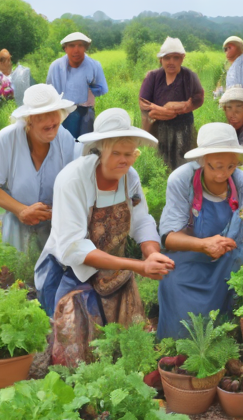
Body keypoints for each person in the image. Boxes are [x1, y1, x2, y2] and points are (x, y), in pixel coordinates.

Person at [34, 108, 174, 366]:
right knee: (80, 358)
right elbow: (74, 247)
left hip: (114, 277)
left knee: (123, 350)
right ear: (99, 150)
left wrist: (152, 253)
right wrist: (139, 266)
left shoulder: (129, 177)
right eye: (117, 154)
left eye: (129, 153)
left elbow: (141, 219)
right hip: (73, 277)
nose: (124, 160)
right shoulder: (72, 180)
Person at [157, 123, 243, 339]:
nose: (223, 174)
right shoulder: (182, 181)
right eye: (215, 167)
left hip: (229, 261)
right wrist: (203, 245)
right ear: (202, 161)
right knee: (173, 285)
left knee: (229, 315)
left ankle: (225, 346)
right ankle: (178, 349)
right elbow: (169, 237)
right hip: (189, 259)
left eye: (231, 167)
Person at [0, 84, 80, 254]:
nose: (51, 124)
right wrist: (22, 210)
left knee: (52, 271)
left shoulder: (64, 138)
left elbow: (76, 179)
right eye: (43, 119)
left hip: (55, 223)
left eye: (55, 121)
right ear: (29, 120)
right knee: (14, 273)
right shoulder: (7, 139)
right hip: (17, 223)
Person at [139, 37, 204, 171]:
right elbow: (143, 101)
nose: (171, 62)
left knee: (184, 165)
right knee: (160, 166)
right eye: (167, 58)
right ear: (161, 59)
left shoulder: (190, 76)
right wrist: (162, 111)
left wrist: (182, 107)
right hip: (158, 128)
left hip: (184, 129)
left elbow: (199, 98)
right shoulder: (153, 76)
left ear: (182, 58)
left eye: (176, 58)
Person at [47, 32, 108, 139]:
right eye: (72, 46)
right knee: (67, 142)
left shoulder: (94, 65)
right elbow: (49, 92)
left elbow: (101, 88)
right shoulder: (56, 67)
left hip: (87, 110)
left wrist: (90, 86)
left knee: (86, 142)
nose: (76, 50)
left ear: (85, 48)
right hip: (64, 111)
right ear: (65, 48)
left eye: (80, 45)